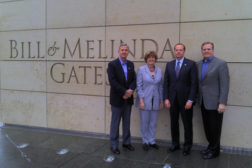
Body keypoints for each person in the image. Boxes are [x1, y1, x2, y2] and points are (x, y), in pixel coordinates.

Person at [163, 43, 198, 156]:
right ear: (174, 51)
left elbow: (194, 84)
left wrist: (191, 100)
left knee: (187, 124)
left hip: (186, 101)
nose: (178, 52)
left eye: (180, 50)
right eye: (176, 50)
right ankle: (175, 144)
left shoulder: (191, 64)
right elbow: (166, 83)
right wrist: (166, 98)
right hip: (172, 100)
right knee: (174, 123)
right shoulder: (169, 64)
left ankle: (187, 146)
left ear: (184, 51)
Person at [197, 42, 229, 159]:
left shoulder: (221, 64)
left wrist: (222, 102)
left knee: (215, 127)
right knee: (207, 127)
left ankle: (215, 151)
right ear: (202, 51)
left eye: (208, 49)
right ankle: (210, 147)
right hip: (202, 102)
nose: (206, 51)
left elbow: (224, 85)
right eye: (204, 49)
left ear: (213, 50)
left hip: (215, 103)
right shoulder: (198, 64)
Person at [107, 43, 136, 155]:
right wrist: (124, 92)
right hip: (117, 99)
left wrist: (130, 91)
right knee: (115, 123)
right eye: (122, 50)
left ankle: (126, 142)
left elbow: (134, 79)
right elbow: (112, 81)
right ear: (119, 52)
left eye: (126, 50)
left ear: (128, 52)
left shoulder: (130, 64)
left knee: (127, 122)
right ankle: (114, 145)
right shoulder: (112, 64)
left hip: (128, 99)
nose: (124, 51)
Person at [136, 51, 163, 151]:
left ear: (155, 59)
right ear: (146, 59)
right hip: (145, 100)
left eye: (153, 57)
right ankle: (145, 141)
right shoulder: (141, 70)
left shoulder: (159, 70)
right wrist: (141, 101)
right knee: (144, 122)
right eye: (149, 57)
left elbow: (160, 86)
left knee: (153, 122)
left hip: (155, 100)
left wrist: (161, 100)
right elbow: (139, 86)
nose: (151, 59)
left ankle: (152, 141)